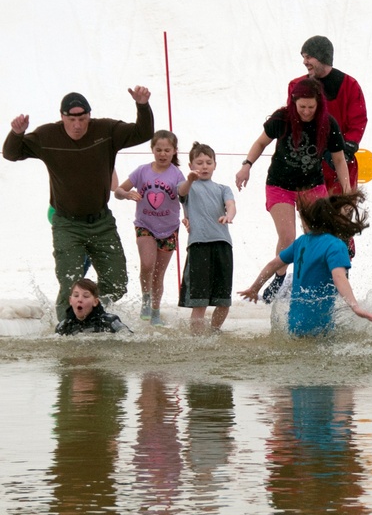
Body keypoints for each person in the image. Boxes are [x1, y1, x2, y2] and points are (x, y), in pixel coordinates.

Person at [3, 87, 153, 316]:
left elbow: (143, 133)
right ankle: (66, 325)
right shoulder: (47, 136)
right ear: (62, 117)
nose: (77, 125)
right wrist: (17, 133)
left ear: (89, 116)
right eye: (71, 119)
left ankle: (91, 314)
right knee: (70, 283)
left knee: (117, 282)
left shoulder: (107, 130)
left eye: (82, 119)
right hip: (67, 224)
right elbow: (11, 153)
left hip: (101, 222)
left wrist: (142, 106)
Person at [236, 78, 352, 303]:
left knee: (316, 236)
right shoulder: (282, 118)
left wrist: (347, 193)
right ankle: (279, 278)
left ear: (318, 104)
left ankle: (311, 280)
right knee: (288, 238)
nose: (306, 112)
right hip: (280, 185)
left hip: (312, 185)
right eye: (302, 107)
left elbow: (339, 159)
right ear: (293, 103)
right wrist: (246, 166)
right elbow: (261, 143)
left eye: (311, 107)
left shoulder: (328, 123)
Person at [239, 191, 372, 336]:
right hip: (319, 326)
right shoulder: (336, 246)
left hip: (294, 324)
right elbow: (339, 277)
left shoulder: (301, 242)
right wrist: (355, 306)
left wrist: (255, 288)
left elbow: (273, 265)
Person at [114, 130, 184, 325]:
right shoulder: (142, 171)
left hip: (169, 228)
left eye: (167, 150)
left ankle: (155, 311)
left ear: (174, 151)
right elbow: (118, 191)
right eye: (159, 150)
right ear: (152, 150)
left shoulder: (177, 174)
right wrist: (127, 194)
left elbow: (186, 197)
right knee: (147, 264)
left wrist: (189, 218)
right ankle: (146, 299)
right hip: (145, 225)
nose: (162, 154)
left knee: (158, 274)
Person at [292, 35, 367, 194]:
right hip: (309, 160)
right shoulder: (297, 86)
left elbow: (357, 120)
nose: (304, 62)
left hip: (340, 160)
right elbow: (294, 121)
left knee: (342, 214)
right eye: (304, 57)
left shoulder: (349, 85)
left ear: (322, 57)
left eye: (308, 56)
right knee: (312, 216)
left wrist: (347, 146)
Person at [177, 142, 236, 334]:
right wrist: (190, 179)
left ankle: (214, 332)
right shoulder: (188, 186)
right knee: (199, 301)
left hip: (223, 245)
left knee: (224, 300)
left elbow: (231, 204)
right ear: (191, 165)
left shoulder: (222, 188)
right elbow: (182, 192)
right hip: (198, 246)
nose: (204, 166)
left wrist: (229, 215)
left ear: (215, 165)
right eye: (199, 162)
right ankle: (197, 338)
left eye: (208, 162)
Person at [55, 278, 129, 335]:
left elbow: (130, 338)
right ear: (70, 300)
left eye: (86, 296)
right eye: (76, 295)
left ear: (95, 302)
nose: (80, 300)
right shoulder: (63, 326)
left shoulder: (109, 321)